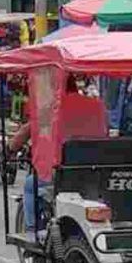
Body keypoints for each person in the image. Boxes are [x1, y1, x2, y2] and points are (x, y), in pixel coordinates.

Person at [9, 75, 107, 240]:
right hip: (94, 174)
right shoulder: (97, 105)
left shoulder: (50, 108)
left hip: (62, 175)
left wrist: (10, 147)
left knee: (29, 185)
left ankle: (33, 232)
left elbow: (22, 135)